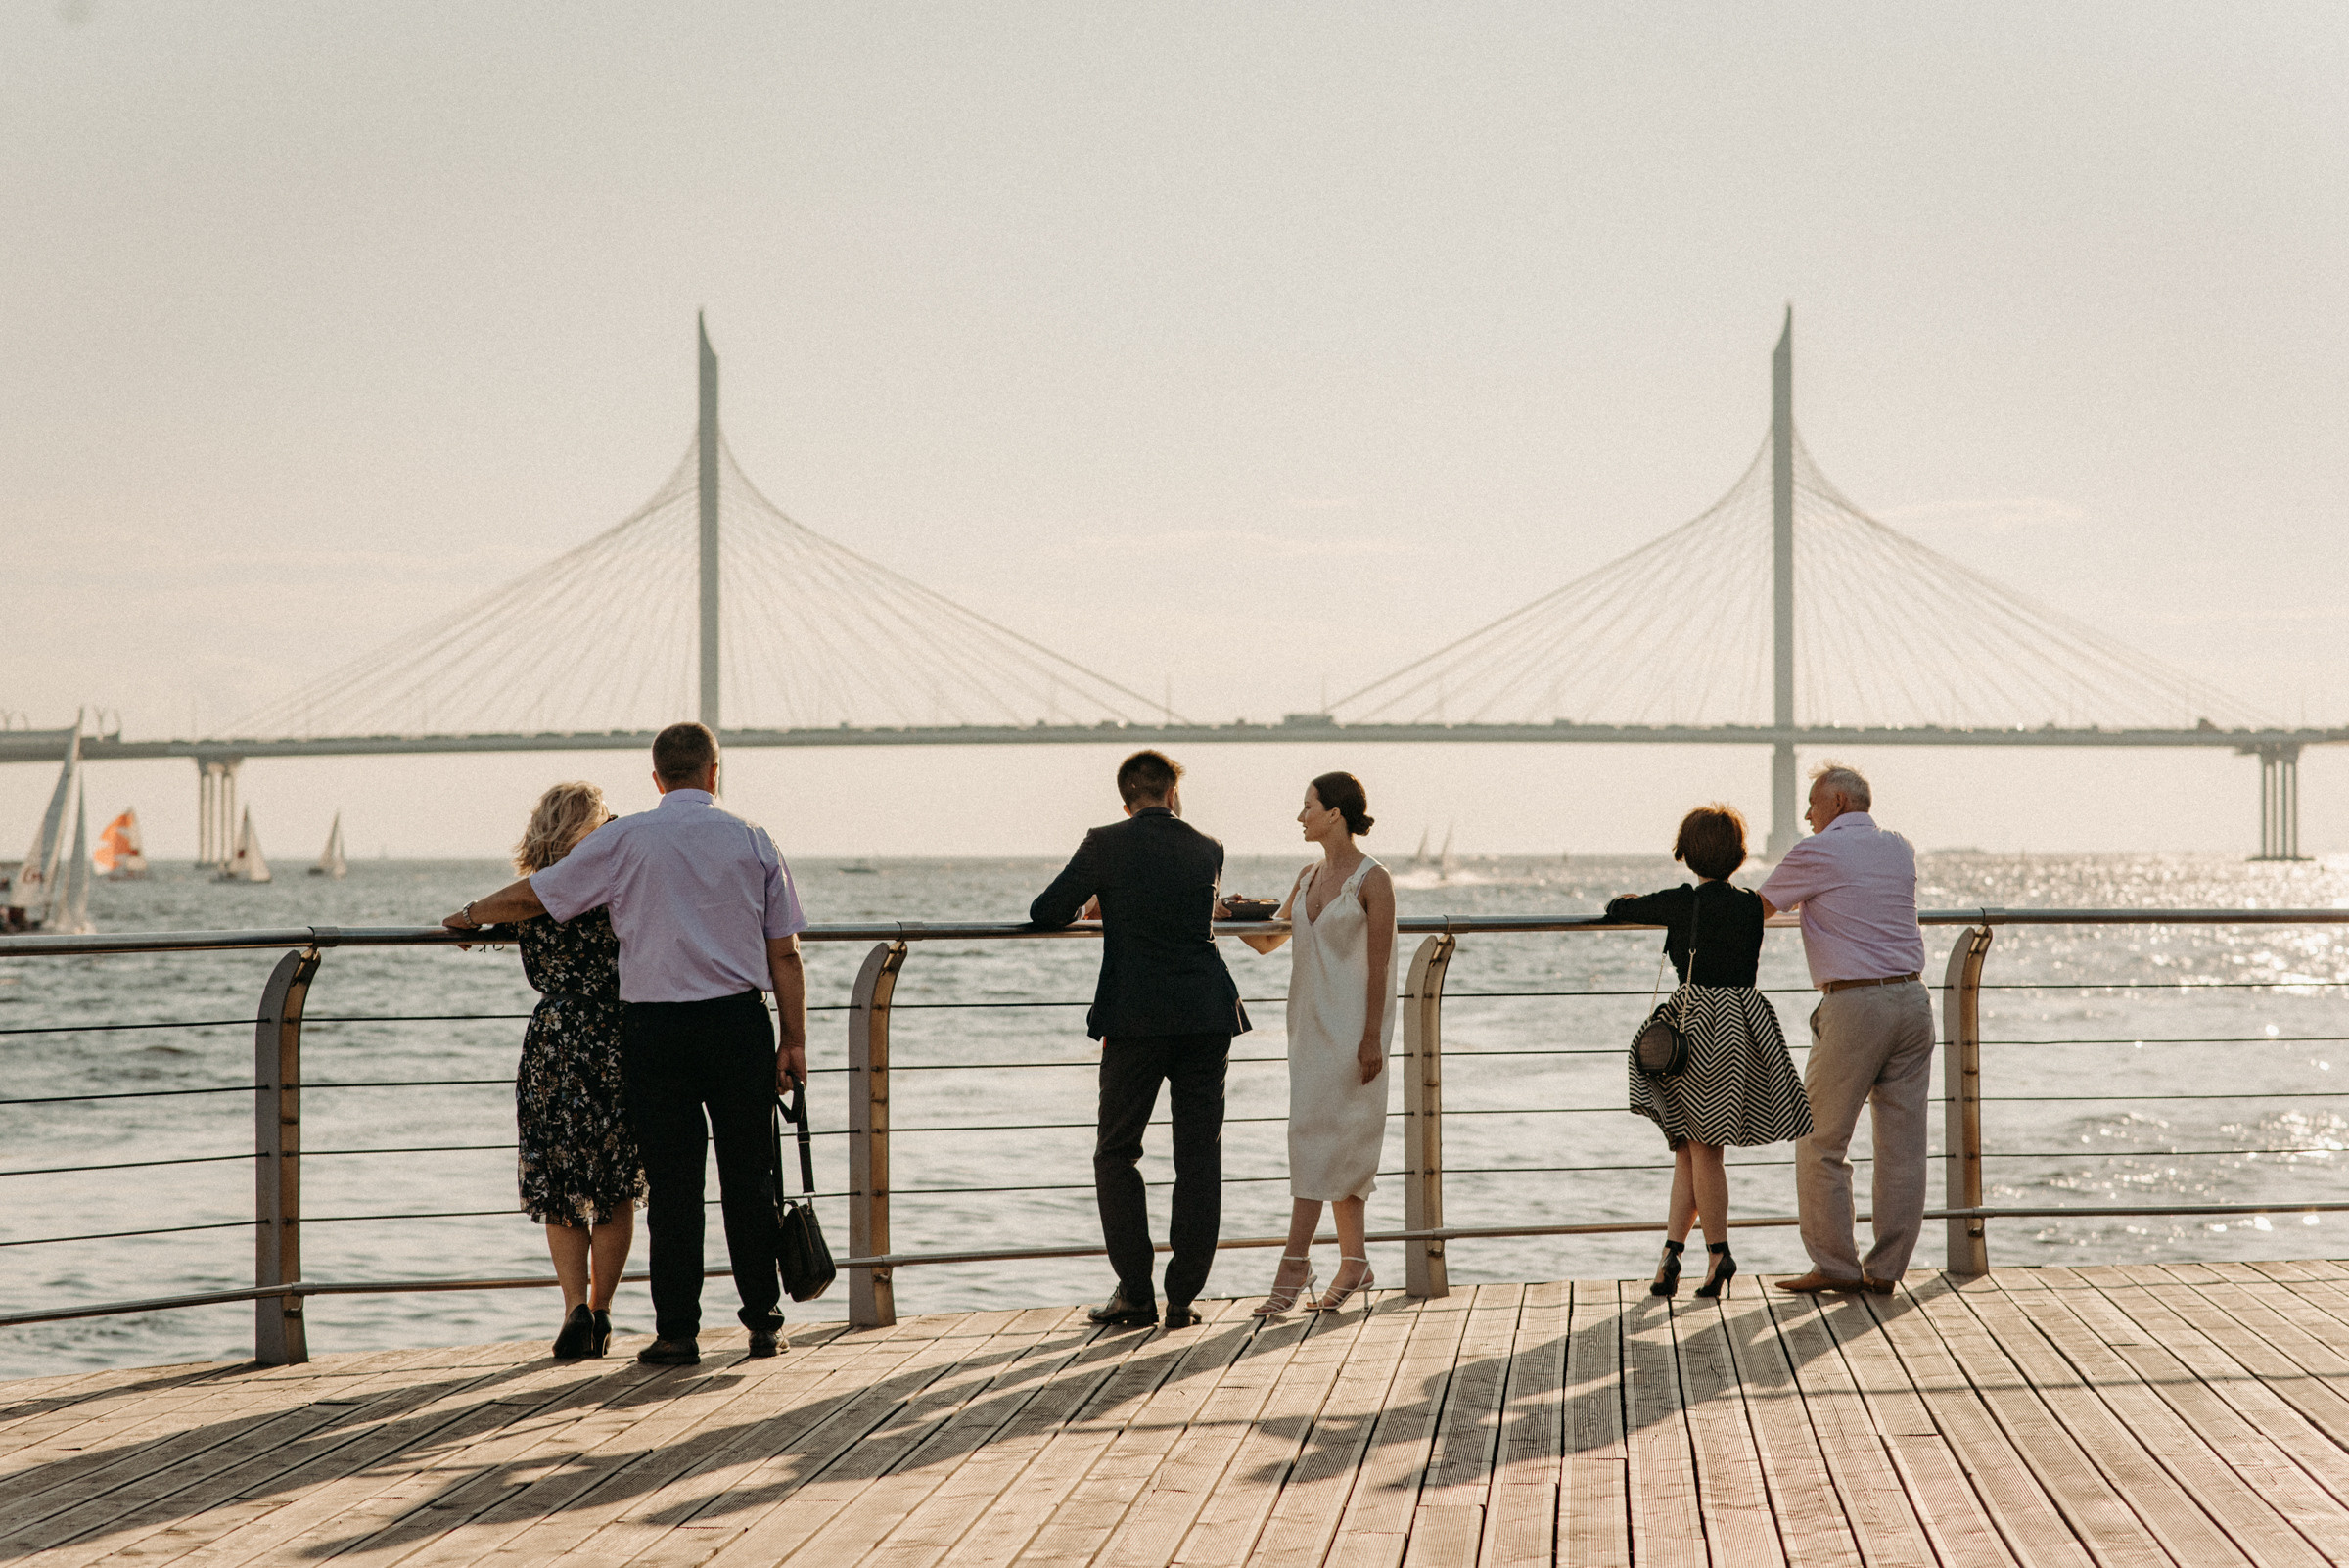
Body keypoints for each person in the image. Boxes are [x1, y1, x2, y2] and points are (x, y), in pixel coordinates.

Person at [445, 721, 808, 1364]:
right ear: (714, 772)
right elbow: (785, 953)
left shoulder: (625, 838)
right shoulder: (755, 839)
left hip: (655, 1030)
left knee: (673, 1187)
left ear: (656, 778)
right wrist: (793, 1041)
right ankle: (763, 1322)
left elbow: (538, 895)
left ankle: (678, 1335)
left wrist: (469, 915)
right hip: (738, 1026)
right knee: (749, 1179)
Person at [1030, 749, 1248, 1331]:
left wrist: (1099, 900)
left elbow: (1046, 910)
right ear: (1173, 794)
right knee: (1198, 1156)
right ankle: (1182, 1298)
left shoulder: (1105, 842)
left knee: (1117, 1152)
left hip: (1136, 1016)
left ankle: (1134, 1292)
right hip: (1206, 1011)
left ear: (1125, 799)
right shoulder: (1209, 845)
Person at [1605, 805, 1810, 1301]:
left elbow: (1618, 908)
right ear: (1738, 854)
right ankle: (1671, 1255)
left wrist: (1626, 900)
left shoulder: (1682, 902)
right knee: (1690, 1146)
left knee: (1703, 1146)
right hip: (1743, 1026)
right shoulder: (1750, 905)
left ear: (1687, 853)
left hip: (1697, 1030)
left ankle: (1719, 1253)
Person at [1756, 762, 1932, 1296]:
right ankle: (1886, 1270)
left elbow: (1757, 909)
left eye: (1812, 803)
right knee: (1903, 1146)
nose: (1806, 814)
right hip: (1913, 1000)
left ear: (1836, 801)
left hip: (1856, 1005)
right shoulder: (1899, 847)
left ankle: (1835, 1265)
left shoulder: (1818, 851)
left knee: (1819, 1138)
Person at [1232, 772, 1396, 1316]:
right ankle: (1355, 1263)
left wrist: (1371, 1038)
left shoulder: (1375, 881)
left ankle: (1294, 1265)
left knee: (1329, 1142)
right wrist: (1223, 914)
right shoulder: (1307, 877)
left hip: (1354, 1034)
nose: (1300, 816)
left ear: (1335, 814)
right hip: (1307, 1030)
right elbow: (1267, 942)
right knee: (1323, 1140)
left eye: (1308, 806)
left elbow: (1381, 967)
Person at [507, 782, 646, 1359]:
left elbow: (497, 916)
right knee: (615, 1180)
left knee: (559, 1180)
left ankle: (573, 1309)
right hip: (614, 1035)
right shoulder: (613, 882)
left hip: (554, 1038)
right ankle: (603, 1309)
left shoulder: (530, 892)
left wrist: (470, 924)